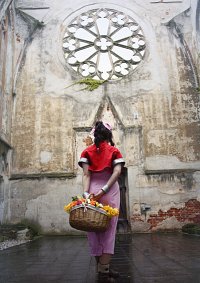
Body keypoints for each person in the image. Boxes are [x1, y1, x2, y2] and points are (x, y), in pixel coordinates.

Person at [78, 121, 125, 282]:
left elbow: (86, 175)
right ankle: (104, 271)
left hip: (91, 190)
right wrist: (104, 190)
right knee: (109, 229)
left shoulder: (86, 152)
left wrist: (86, 194)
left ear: (94, 134)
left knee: (93, 229)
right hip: (109, 190)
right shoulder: (114, 151)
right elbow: (117, 172)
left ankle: (103, 268)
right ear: (108, 135)